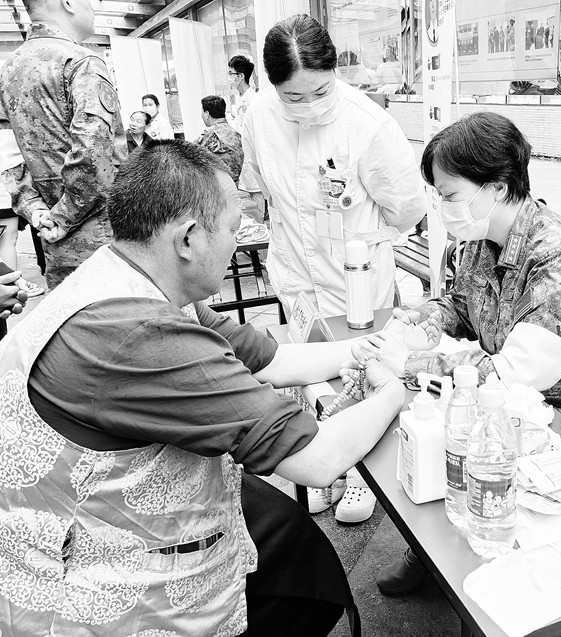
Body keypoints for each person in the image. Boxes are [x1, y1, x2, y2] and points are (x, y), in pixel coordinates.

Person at [0, 139, 407, 636]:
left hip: (91, 530)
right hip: (96, 591)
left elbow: (274, 359)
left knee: (294, 546)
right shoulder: (139, 333)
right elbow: (317, 460)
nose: (239, 243)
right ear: (189, 239)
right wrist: (396, 390)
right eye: (235, 229)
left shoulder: (127, 277)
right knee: (298, 568)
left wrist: (376, 346)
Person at [362, 112, 561, 596]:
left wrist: (410, 364)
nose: (442, 207)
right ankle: (432, 552)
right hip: (503, 411)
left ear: (498, 187)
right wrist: (421, 321)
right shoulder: (482, 239)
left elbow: (513, 374)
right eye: (438, 195)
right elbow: (461, 304)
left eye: (449, 195)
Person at [242, 14, 425, 525]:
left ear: (335, 70)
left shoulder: (368, 123)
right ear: (272, 86)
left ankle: (362, 476)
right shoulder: (258, 115)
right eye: (293, 97)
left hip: (356, 276)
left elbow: (407, 208)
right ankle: (327, 468)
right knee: (311, 376)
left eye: (320, 92)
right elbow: (260, 186)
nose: (308, 106)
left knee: (365, 372)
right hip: (297, 273)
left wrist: (358, 229)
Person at [0, 0, 125, 291]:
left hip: (53, 242)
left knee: (69, 315)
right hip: (106, 240)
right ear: (67, 2)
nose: (92, 8)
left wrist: (36, 211)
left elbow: (7, 155)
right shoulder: (81, 62)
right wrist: (62, 218)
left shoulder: (8, 70)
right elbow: (94, 157)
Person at [0, 129, 43, 298]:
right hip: (5, 187)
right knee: (7, 239)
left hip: (7, 185)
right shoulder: (9, 131)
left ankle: (11, 284)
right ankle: (12, 286)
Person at [228, 55, 264, 222]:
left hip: (252, 156)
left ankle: (260, 227)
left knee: (256, 193)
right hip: (244, 156)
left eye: (231, 74)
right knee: (248, 195)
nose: (229, 78)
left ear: (240, 76)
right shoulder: (240, 98)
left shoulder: (253, 100)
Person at [196, 95, 244, 186]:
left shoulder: (209, 135)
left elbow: (189, 155)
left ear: (207, 114)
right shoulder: (237, 135)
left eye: (202, 111)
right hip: (234, 187)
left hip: (217, 189)